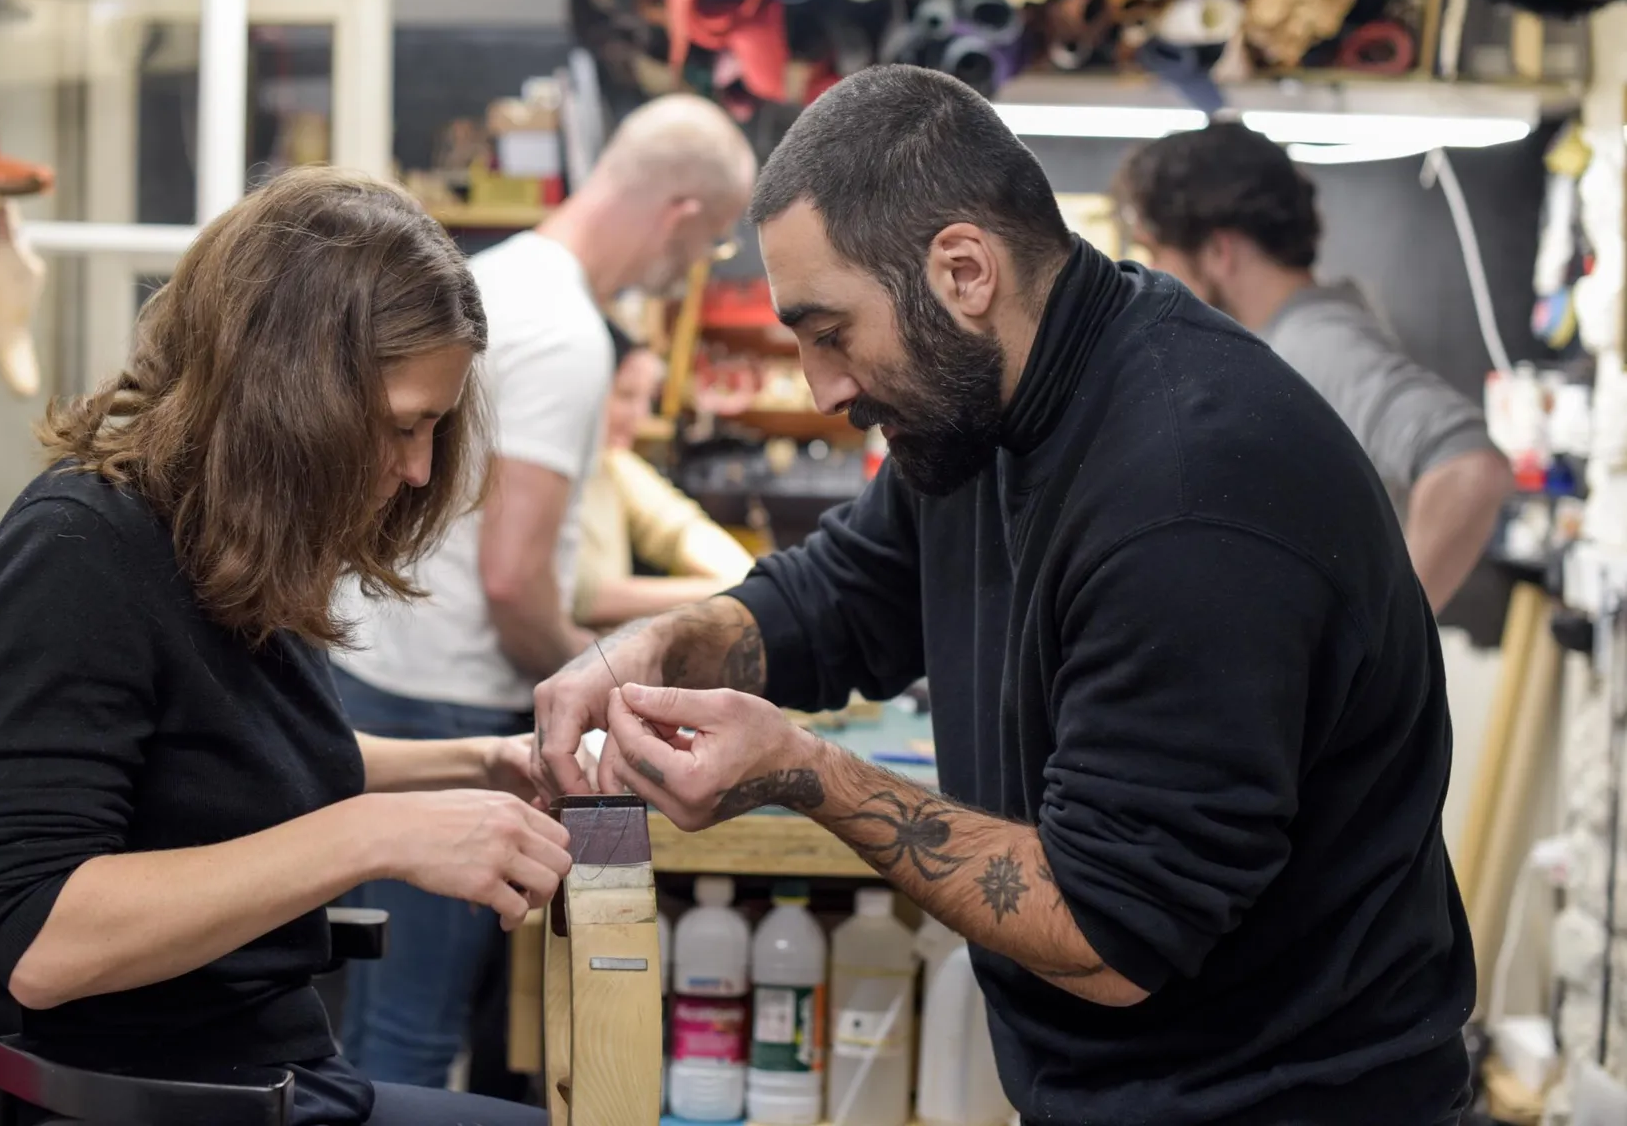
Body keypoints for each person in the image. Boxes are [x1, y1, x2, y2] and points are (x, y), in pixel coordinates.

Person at [534, 67, 1476, 1125]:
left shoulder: (1188, 492)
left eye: (831, 330)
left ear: (964, 269)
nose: (823, 389)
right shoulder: (979, 407)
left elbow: (1109, 929)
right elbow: (849, 593)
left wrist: (807, 775)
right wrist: (656, 646)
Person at [0, 167, 569, 1126]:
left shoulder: (217, 535)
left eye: (434, 430)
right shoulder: (77, 554)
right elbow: (42, 941)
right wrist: (377, 835)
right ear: (292, 397)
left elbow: (228, 770)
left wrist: (481, 763)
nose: (415, 470)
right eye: (403, 426)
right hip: (162, 1105)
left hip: (274, 1076)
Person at [329, 93, 757, 1086]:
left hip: (391, 682)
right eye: (710, 247)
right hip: (447, 703)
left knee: (397, 1020)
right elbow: (517, 582)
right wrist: (606, 691)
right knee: (413, 1039)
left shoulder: (498, 280)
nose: (692, 272)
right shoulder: (566, 332)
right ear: (684, 213)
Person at [1113, 120, 1514, 613]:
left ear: (1219, 252)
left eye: (1157, 255)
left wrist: (1395, 645)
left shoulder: (1314, 345)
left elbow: (1469, 465)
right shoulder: (1280, 345)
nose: (1153, 280)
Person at [573, 324, 756, 629]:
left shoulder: (611, 463)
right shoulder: (540, 475)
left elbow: (678, 529)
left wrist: (751, 578)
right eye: (626, 395)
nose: (641, 415)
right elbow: (580, 596)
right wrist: (736, 591)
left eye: (646, 398)